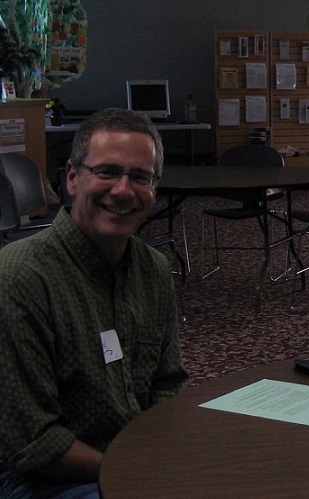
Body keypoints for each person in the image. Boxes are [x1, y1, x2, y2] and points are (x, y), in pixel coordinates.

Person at [0, 108, 188, 497]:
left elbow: (168, 384)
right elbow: (34, 443)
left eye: (140, 177)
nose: (123, 190)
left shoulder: (152, 270)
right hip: (44, 480)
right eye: (107, 172)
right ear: (72, 177)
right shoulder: (20, 278)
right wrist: (134, 474)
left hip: (135, 463)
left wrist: (160, 462)